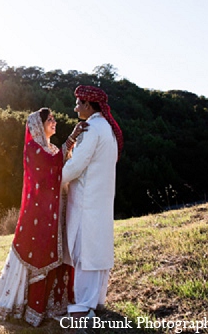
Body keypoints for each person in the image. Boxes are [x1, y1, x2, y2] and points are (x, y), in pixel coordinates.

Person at [0, 108, 87, 326]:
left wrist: (72, 139)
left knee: (59, 252)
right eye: (50, 120)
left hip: (55, 213)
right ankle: (30, 306)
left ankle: (50, 304)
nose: (54, 122)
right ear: (39, 125)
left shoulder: (52, 148)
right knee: (38, 254)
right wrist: (72, 138)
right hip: (39, 216)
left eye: (54, 118)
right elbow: (51, 168)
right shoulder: (33, 149)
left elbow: (58, 159)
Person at [61, 85, 124, 319]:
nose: (75, 107)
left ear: (88, 105)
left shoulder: (90, 129)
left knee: (84, 251)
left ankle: (82, 305)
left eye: (78, 103)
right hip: (101, 200)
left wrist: (53, 180)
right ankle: (94, 300)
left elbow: (76, 166)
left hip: (86, 201)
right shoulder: (106, 128)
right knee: (97, 249)